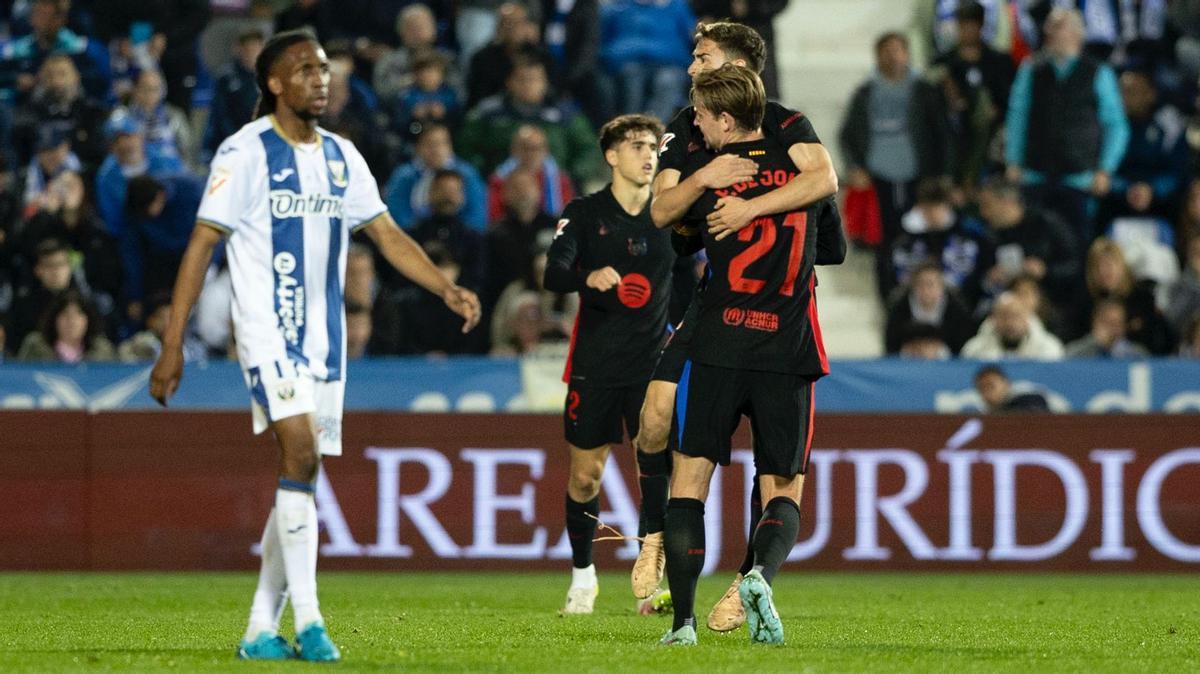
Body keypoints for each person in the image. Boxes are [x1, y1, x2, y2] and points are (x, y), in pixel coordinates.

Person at [148, 30, 481, 663]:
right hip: (267, 330)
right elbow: (200, 245)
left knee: (300, 472)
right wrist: (173, 344)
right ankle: (313, 622)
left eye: (324, 69)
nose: (319, 79)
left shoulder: (341, 157)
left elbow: (385, 235)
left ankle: (256, 631)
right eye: (304, 70)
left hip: (325, 342)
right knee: (299, 450)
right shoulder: (243, 153)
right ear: (274, 83)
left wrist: (445, 287)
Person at [635, 21, 838, 634]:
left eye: (703, 59)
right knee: (773, 476)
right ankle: (671, 544)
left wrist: (734, 201)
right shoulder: (778, 153)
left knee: (693, 472)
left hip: (724, 324)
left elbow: (667, 218)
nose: (692, 70)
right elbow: (822, 190)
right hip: (784, 330)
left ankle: (694, 614)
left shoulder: (760, 137)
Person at [541, 113, 673, 616]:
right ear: (611, 155)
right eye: (637, 145)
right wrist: (585, 274)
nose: (647, 155)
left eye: (652, 147)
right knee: (585, 478)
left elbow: (685, 287)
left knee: (654, 468)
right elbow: (553, 273)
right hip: (595, 365)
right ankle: (583, 578)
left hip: (651, 368)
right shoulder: (584, 213)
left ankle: (651, 580)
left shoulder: (668, 217)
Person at [839, 31, 954, 299]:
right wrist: (855, 166)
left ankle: (928, 295)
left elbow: (942, 134)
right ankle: (889, 298)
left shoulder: (925, 91)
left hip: (920, 178)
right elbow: (848, 135)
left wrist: (944, 175)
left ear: (907, 53)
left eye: (897, 49)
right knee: (884, 242)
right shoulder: (865, 93)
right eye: (886, 50)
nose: (892, 56)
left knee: (924, 238)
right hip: (879, 178)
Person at [1005, 7, 1129, 244]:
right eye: (1049, 26)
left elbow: (1116, 126)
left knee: (1076, 244)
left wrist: (1105, 169)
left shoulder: (1098, 72)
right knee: (1034, 244)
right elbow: (1017, 117)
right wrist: (1013, 160)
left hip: (1080, 178)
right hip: (1035, 175)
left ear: (1076, 33)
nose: (1049, 32)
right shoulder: (1031, 69)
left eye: (1058, 26)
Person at [383, 124, 488, 233]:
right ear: (418, 147)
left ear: (450, 146)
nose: (435, 150)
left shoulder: (467, 174)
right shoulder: (404, 176)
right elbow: (396, 214)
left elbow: (477, 216)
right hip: (415, 239)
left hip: (460, 240)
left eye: (441, 144)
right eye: (429, 144)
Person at [883, 261, 974, 355]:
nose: (925, 290)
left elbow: (963, 346)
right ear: (913, 287)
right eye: (921, 284)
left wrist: (938, 350)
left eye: (930, 284)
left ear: (942, 287)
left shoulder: (957, 310)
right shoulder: (899, 308)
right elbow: (891, 345)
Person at [16, 289, 115, 362]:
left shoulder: (103, 350)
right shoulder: (35, 347)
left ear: (87, 320)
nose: (71, 320)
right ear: (54, 319)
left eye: (78, 314)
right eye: (65, 314)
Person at [961, 291, 1065, 360]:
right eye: (1004, 316)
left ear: (1027, 318)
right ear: (993, 319)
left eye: (1016, 316)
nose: (1010, 323)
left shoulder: (1049, 348)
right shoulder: (974, 350)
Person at [1065, 298, 1150, 358]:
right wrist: (1095, 342)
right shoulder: (1079, 350)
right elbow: (1068, 359)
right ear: (1095, 323)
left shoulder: (1137, 353)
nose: (1114, 329)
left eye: (1118, 323)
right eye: (1108, 323)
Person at [974, 364, 1050, 413]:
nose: (987, 392)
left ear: (1006, 384)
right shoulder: (982, 417)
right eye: (982, 388)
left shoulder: (1030, 400)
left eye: (991, 386)